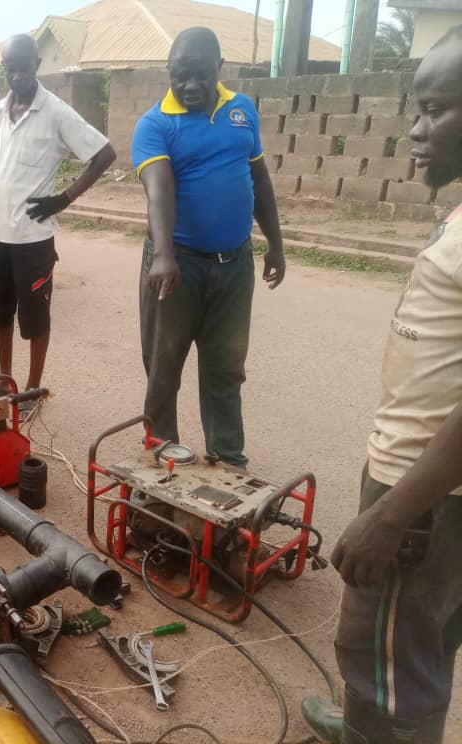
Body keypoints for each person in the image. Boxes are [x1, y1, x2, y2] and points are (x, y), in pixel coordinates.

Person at [301, 27, 462, 744]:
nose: (415, 130)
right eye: (416, 109)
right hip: (433, 492)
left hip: (428, 500)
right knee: (416, 643)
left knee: (385, 664)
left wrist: (393, 514)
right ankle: (366, 723)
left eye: (436, 110)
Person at [132, 27, 285, 469]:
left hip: (234, 263)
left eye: (201, 74)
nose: (191, 85)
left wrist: (275, 244)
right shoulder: (155, 124)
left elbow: (259, 179)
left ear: (220, 67)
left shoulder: (242, 110)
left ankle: (227, 453)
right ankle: (162, 449)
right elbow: (160, 189)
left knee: (226, 366)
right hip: (177, 263)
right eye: (181, 75)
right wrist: (164, 256)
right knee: (164, 365)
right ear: (169, 71)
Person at [0, 34, 116, 413]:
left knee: (36, 317)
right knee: (0, 311)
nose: (17, 76)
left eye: (24, 68)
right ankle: (5, 378)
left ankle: (31, 388)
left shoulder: (56, 112)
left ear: (37, 64)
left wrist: (65, 198)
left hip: (34, 238)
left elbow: (105, 154)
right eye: (10, 69)